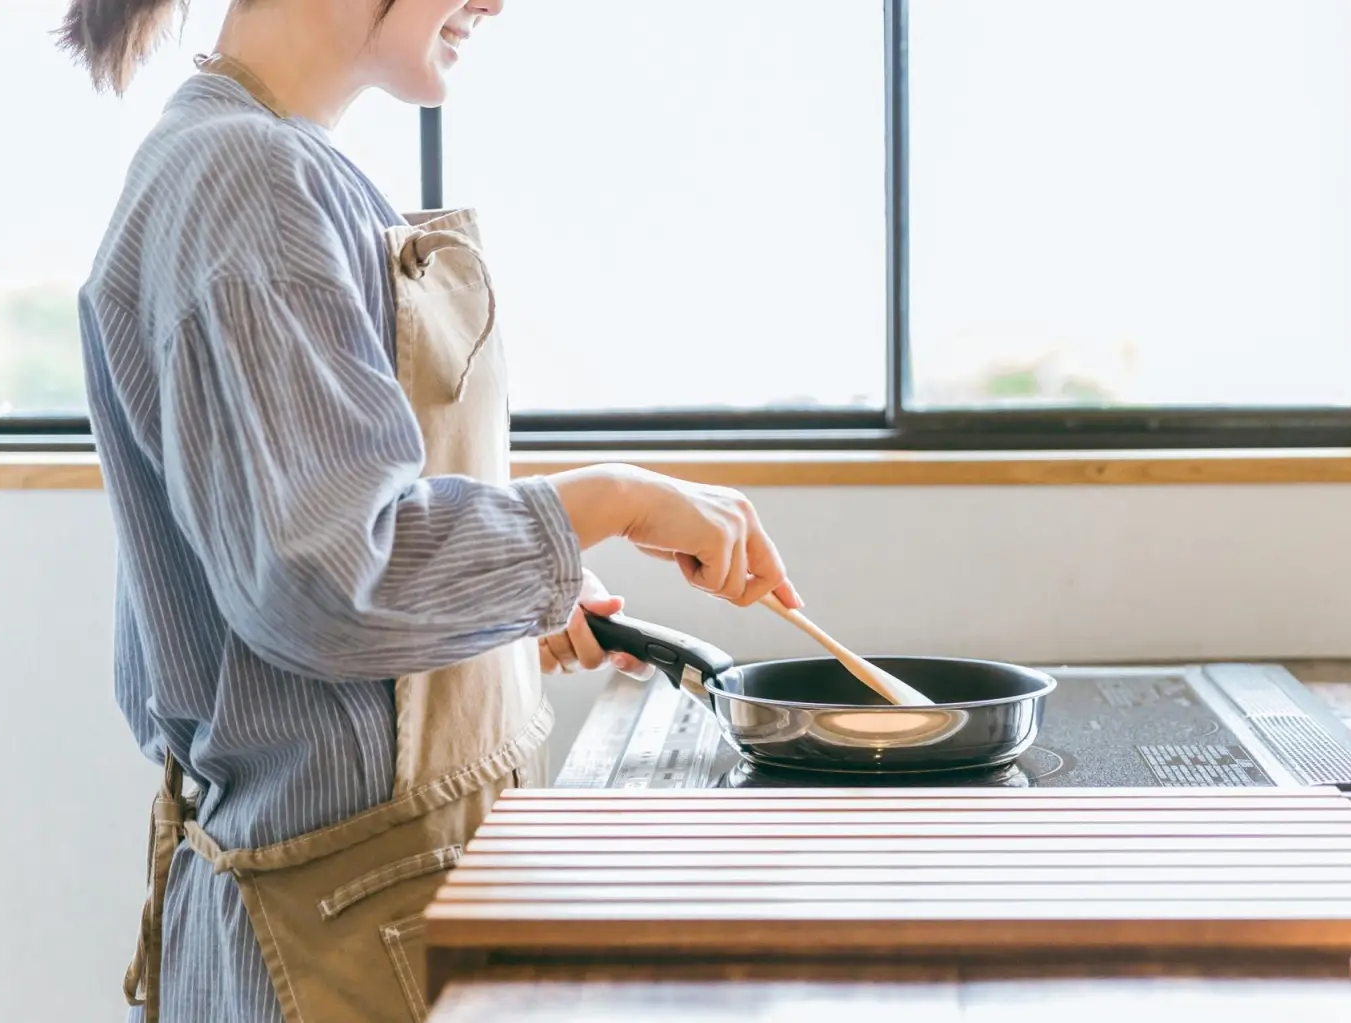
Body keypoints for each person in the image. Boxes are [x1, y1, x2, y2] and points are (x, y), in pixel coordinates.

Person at [59, 1, 802, 1020]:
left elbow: (325, 537)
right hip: (339, 937)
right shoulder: (248, 181)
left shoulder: (264, 161)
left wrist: (514, 605)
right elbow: (331, 582)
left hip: (375, 910)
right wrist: (615, 499)